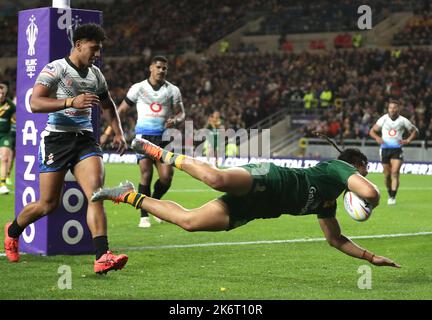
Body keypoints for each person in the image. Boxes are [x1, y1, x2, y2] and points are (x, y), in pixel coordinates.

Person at [92, 137, 401, 268]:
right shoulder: (339, 169)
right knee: (217, 178)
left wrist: (370, 257)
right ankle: (159, 152)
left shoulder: (328, 204)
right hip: (270, 178)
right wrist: (365, 196)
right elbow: (371, 194)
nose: (367, 178)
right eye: (366, 171)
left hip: (259, 209)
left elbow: (335, 239)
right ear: (356, 168)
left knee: (190, 222)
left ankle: (127, 194)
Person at [3, 23, 128, 274]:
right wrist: (71, 101)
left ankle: (102, 255)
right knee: (49, 204)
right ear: (79, 45)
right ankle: (13, 230)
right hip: (57, 140)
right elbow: (35, 103)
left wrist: (118, 132)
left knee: (96, 193)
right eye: (94, 49)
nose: (97, 54)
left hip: (84, 139)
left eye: (100, 50)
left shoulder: (96, 74)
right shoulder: (56, 68)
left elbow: (109, 104)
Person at [115, 55, 185, 228]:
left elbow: (182, 114)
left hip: (164, 138)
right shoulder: (138, 88)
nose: (162, 70)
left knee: (167, 177)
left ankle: (154, 203)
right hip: (144, 136)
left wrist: (175, 120)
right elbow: (121, 109)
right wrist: (112, 131)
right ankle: (144, 215)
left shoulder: (173, 90)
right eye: (159, 67)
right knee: (146, 173)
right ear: (151, 68)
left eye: (164, 68)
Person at [369, 100, 419, 205]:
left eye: (395, 107)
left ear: (398, 109)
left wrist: (408, 140)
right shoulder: (383, 119)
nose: (392, 109)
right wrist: (377, 138)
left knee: (395, 173)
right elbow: (372, 131)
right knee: (387, 175)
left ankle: (393, 197)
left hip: (397, 149)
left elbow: (415, 131)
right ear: (388, 109)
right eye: (390, 108)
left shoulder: (403, 121)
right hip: (385, 149)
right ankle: (389, 192)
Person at [0, 83, 15, 195]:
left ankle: (3, 184)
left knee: (5, 158)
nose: (0, 95)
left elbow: (17, 115)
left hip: (5, 135)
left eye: (2, 93)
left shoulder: (10, 106)